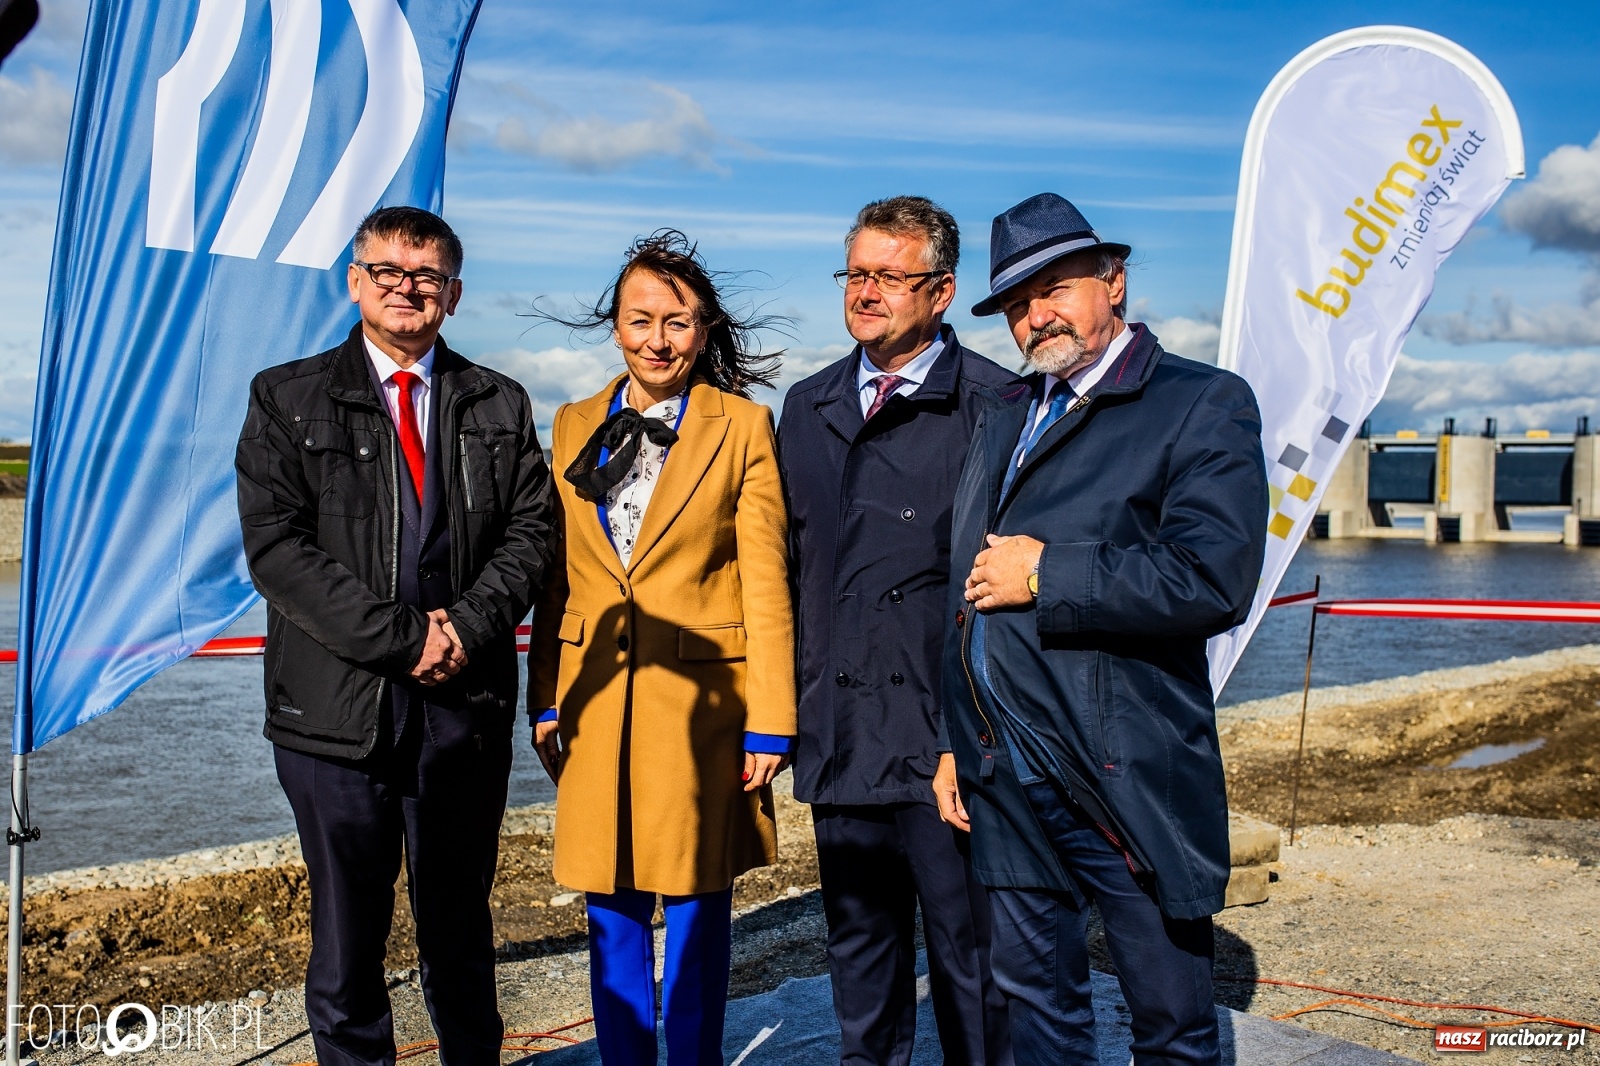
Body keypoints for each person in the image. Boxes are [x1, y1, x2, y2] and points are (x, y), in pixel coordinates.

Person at [933, 193, 1268, 1066]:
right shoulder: (1005, 414)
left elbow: (1212, 578)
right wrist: (952, 741)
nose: (1035, 314)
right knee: (1037, 1012)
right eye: (1015, 302)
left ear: (1113, 281)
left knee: (1170, 1025)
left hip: (1120, 770)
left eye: (1054, 287)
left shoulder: (1201, 402)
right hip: (1003, 770)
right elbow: (965, 589)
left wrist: (1047, 573)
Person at [236, 206, 557, 1066]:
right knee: (347, 943)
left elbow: (532, 534)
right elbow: (278, 550)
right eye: (388, 271)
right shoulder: (286, 396)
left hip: (465, 710)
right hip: (336, 719)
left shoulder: (501, 400)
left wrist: (470, 625)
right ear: (356, 282)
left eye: (425, 276)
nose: (406, 288)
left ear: (452, 293)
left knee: (459, 929)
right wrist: (402, 638)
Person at [527, 230, 796, 1066]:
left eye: (678, 322)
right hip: (594, 699)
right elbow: (557, 579)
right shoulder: (573, 421)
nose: (658, 339)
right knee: (608, 906)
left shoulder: (744, 426)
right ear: (616, 326)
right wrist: (543, 701)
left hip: (704, 708)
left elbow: (764, 581)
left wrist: (771, 723)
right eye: (641, 320)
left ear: (705, 329)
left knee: (694, 906)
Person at [777, 196, 1013, 1066]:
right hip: (840, 742)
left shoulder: (995, 405)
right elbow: (785, 574)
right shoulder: (807, 405)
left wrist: (967, 736)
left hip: (948, 748)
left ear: (942, 290)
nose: (866, 292)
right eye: (856, 273)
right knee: (860, 969)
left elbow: (998, 595)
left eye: (889, 275)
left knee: (974, 969)